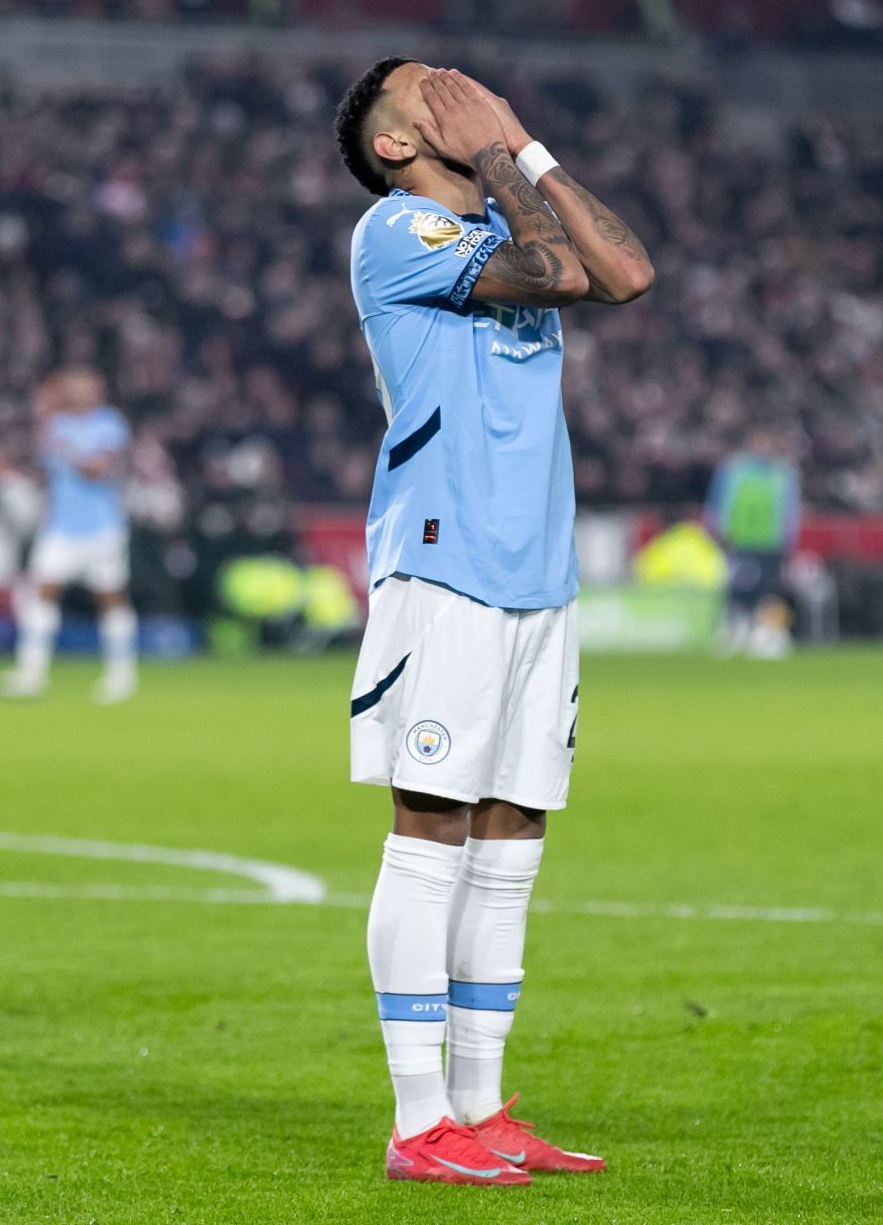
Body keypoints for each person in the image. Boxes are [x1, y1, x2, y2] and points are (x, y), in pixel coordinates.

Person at [334, 59, 653, 1186]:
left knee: (511, 839)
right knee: (429, 835)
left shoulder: (500, 204)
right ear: (393, 143)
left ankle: (480, 1104)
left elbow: (628, 270)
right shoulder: (398, 230)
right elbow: (558, 268)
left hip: (538, 575)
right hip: (444, 566)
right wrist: (506, 153)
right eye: (431, 90)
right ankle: (419, 1119)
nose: (458, 90)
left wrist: (532, 152)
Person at [0, 367, 138, 704]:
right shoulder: (56, 426)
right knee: (41, 594)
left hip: (102, 528)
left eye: (86, 387)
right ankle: (31, 674)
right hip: (61, 528)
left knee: (110, 599)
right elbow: (51, 476)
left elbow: (99, 470)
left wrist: (65, 447)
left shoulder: (109, 424)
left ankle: (121, 675)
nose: (80, 393)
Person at [705, 428, 801, 657]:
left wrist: (789, 539)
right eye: (759, 442)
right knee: (738, 589)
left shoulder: (783, 473)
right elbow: (718, 501)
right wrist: (717, 530)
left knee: (768, 590)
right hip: (739, 541)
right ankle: (733, 632)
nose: (763, 448)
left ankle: (767, 634)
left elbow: (791, 508)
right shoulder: (734, 469)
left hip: (770, 541)